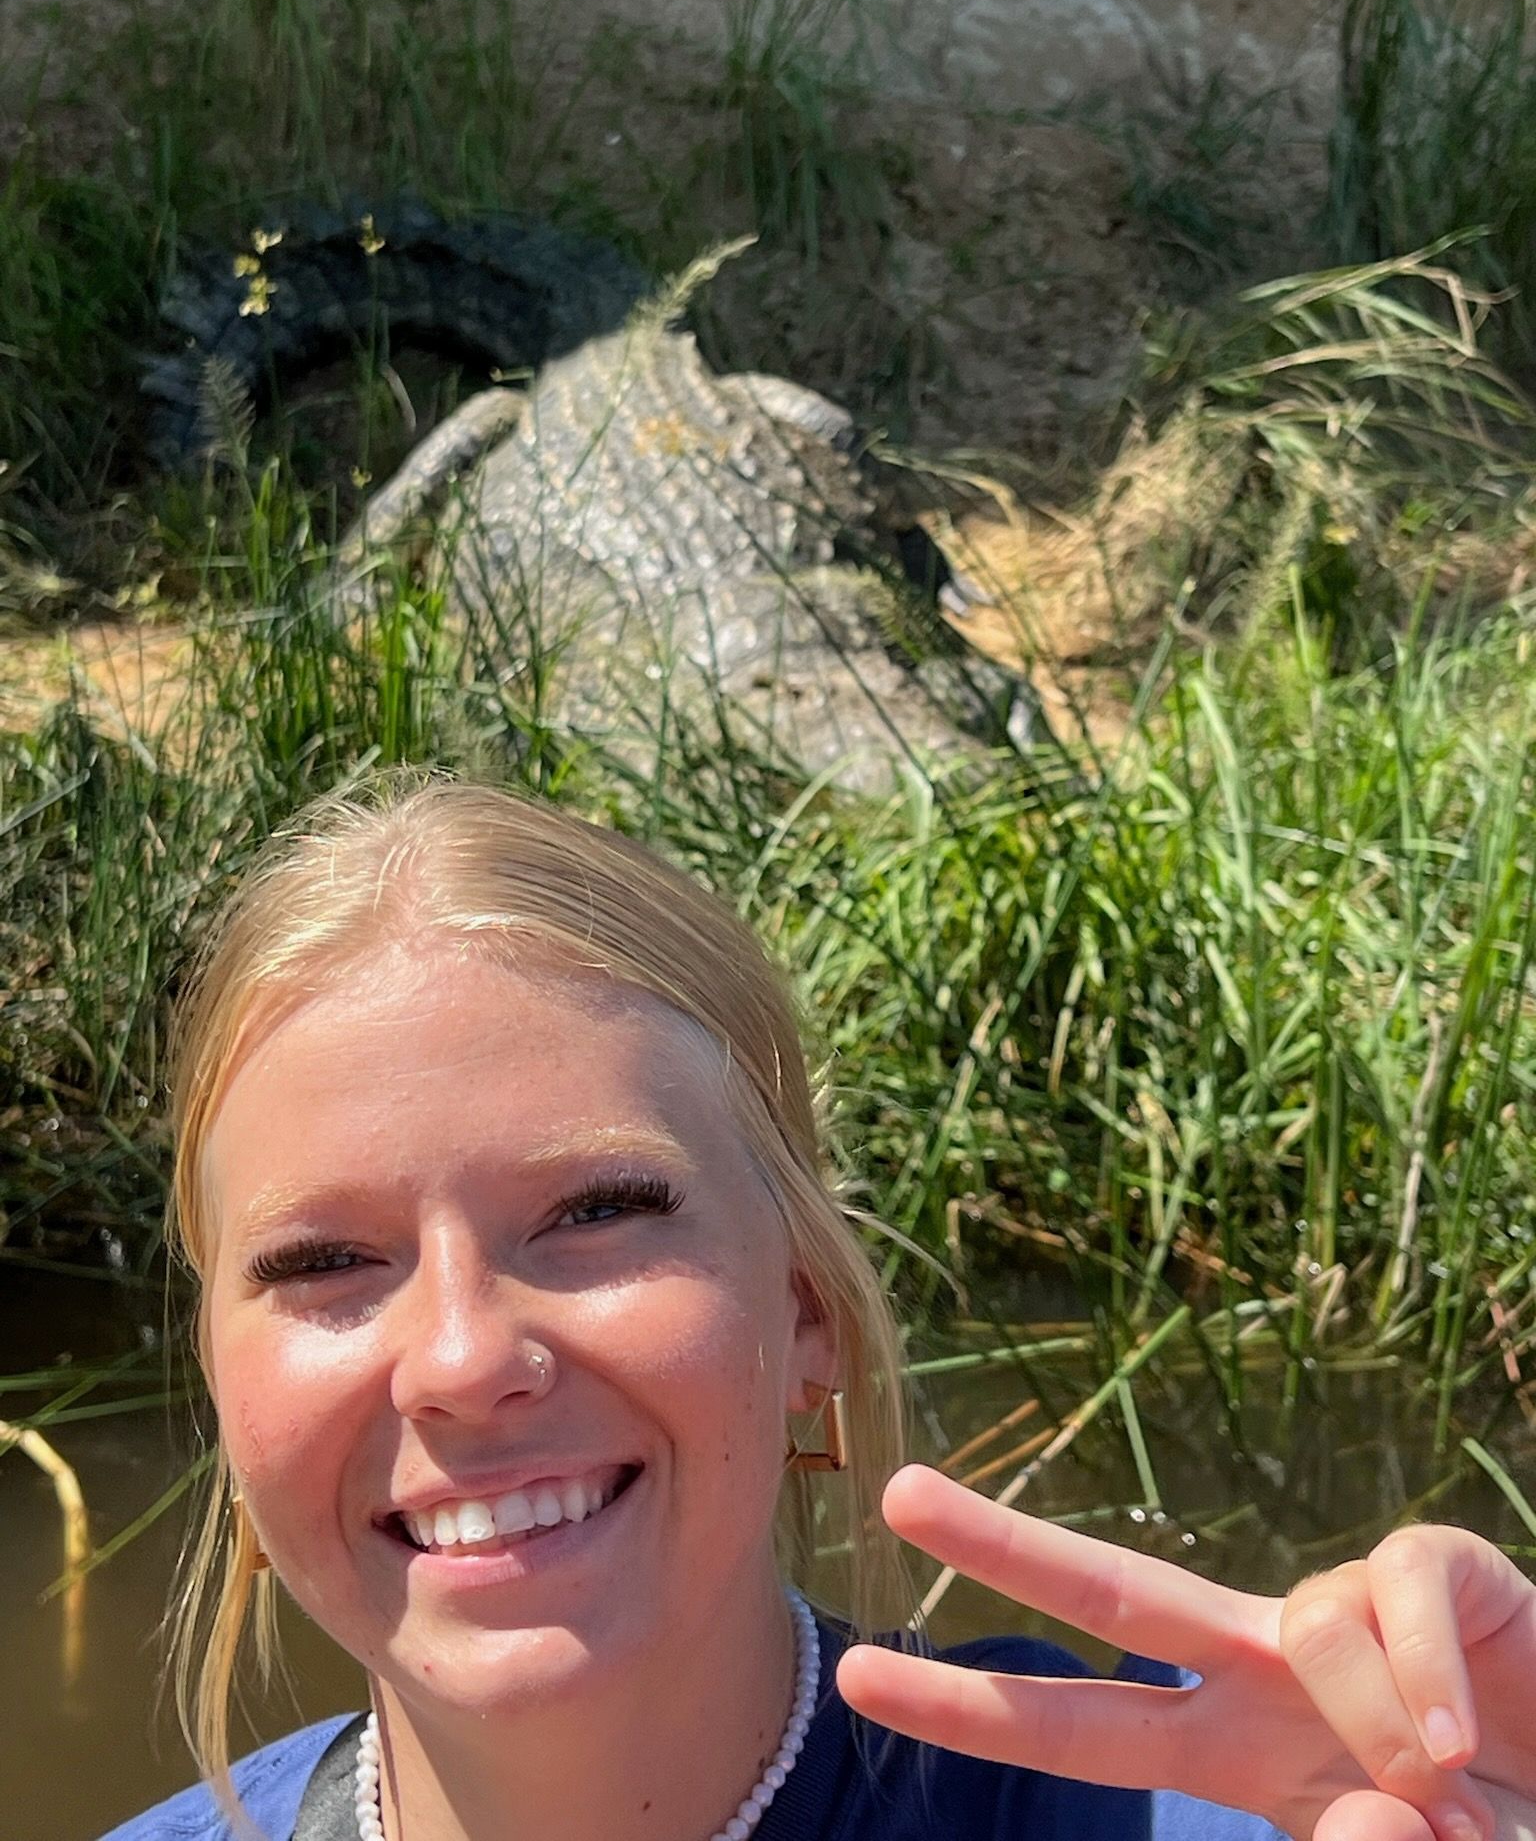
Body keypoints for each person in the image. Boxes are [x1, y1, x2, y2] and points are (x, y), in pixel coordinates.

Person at [100, 774, 1536, 1841]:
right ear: (225, 1377)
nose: (465, 1360)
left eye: (599, 1213)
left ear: (806, 1308)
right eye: (320, 1264)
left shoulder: (1205, 1807)